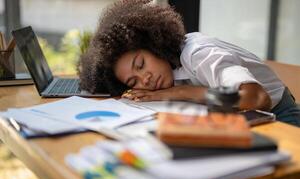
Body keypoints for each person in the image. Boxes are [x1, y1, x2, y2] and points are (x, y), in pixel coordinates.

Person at [79, 0, 300, 126]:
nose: (144, 79)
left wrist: (184, 92)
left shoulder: (199, 53)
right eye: (133, 80)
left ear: (153, 43)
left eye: (141, 64)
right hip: (242, 118)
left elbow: (256, 99)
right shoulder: (163, 73)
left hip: (280, 115)